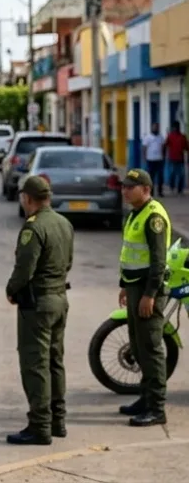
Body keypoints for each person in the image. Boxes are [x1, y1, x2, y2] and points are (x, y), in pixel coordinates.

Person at [4, 175, 74, 446]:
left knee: (35, 365)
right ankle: (58, 421)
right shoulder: (64, 223)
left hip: (38, 304)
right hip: (59, 299)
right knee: (55, 361)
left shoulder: (33, 228)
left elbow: (25, 269)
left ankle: (39, 426)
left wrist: (11, 289)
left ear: (28, 198)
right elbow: (68, 262)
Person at [117, 168, 171, 427]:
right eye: (124, 186)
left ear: (146, 190)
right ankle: (145, 398)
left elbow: (158, 262)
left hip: (148, 291)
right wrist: (124, 286)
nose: (125, 190)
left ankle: (157, 408)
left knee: (150, 349)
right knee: (137, 347)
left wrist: (149, 295)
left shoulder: (154, 218)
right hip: (135, 288)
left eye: (130, 187)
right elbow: (130, 255)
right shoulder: (134, 214)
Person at [142, 122, 166, 197]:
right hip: (150, 159)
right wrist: (145, 157)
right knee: (151, 177)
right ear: (151, 128)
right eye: (154, 127)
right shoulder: (147, 137)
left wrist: (163, 156)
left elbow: (163, 147)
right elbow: (144, 148)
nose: (156, 128)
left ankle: (160, 191)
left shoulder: (161, 137)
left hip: (159, 159)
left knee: (160, 176)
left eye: (157, 127)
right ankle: (151, 192)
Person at [165, 121, 187, 196]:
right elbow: (165, 145)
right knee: (172, 174)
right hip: (172, 158)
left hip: (181, 159)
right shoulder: (170, 136)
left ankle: (180, 189)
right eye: (174, 127)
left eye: (177, 127)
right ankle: (172, 187)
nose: (175, 128)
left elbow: (186, 147)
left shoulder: (182, 136)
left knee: (181, 175)